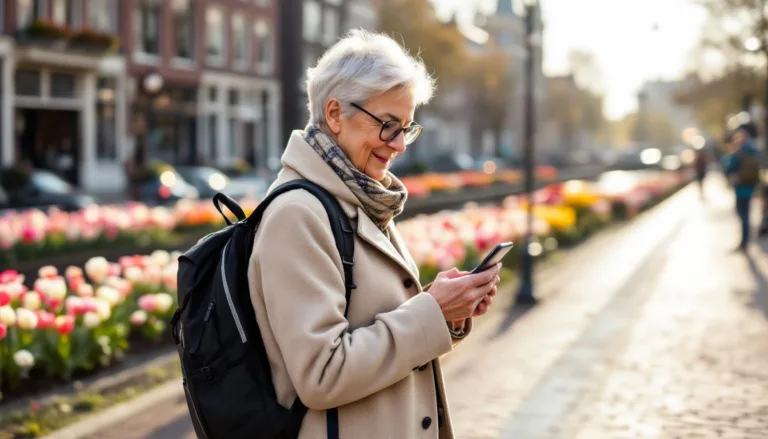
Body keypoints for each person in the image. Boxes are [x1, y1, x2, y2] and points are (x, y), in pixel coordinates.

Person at [247, 30, 501, 438]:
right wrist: (431, 311)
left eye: (406, 127)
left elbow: (383, 328)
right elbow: (322, 374)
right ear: (334, 114)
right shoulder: (298, 215)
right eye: (388, 125)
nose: (400, 145)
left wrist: (449, 313)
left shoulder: (361, 197)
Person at [723, 128, 761, 251]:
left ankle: (745, 240)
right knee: (746, 212)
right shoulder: (754, 150)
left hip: (740, 187)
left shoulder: (739, 151)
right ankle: (747, 236)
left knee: (742, 213)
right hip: (751, 185)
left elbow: (729, 167)